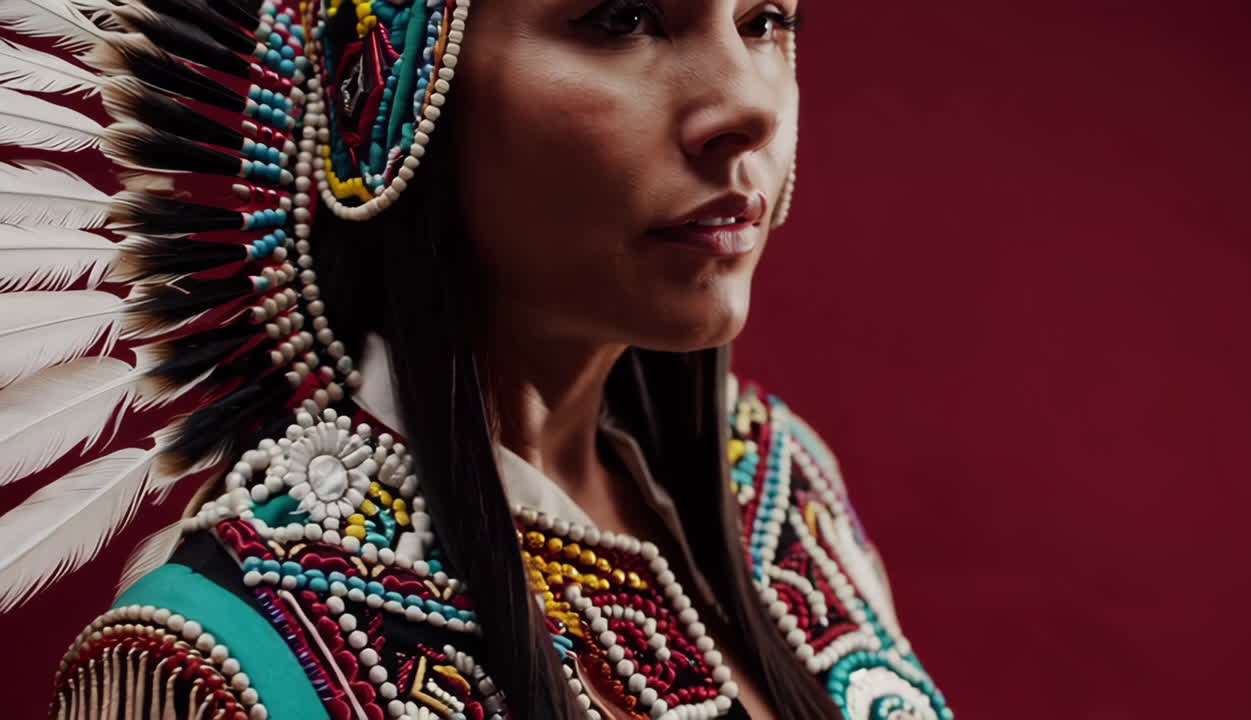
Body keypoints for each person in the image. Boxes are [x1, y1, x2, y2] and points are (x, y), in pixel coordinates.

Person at [0, 0, 951, 718]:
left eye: (763, 20)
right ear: (398, 91)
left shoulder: (786, 492)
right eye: (622, 17)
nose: (746, 103)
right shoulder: (222, 663)